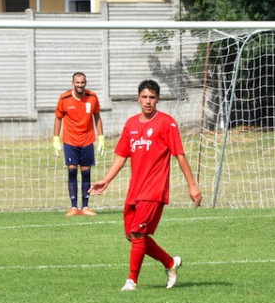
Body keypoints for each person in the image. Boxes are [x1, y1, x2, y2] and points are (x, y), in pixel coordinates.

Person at [90, 79, 202, 291]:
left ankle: (132, 280)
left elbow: (179, 154)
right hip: (135, 190)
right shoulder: (131, 124)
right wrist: (106, 180)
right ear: (138, 98)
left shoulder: (166, 123)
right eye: (144, 97)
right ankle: (170, 263)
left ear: (157, 99)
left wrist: (192, 185)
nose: (148, 101)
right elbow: (121, 156)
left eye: (152, 97)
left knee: (139, 234)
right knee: (132, 236)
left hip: (155, 189)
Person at [53, 72, 104, 216]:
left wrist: (101, 137)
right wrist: (55, 138)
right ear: (73, 83)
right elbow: (58, 118)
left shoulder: (92, 97)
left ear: (85, 83)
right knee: (72, 171)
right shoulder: (64, 98)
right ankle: (74, 207)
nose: (80, 85)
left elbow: (97, 117)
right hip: (70, 141)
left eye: (82, 82)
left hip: (87, 141)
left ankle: (85, 207)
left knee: (86, 173)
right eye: (77, 82)